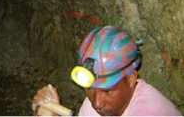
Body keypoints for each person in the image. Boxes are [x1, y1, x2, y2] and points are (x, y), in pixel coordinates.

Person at [32, 25, 182, 116]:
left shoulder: (150, 112)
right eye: (90, 88)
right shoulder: (99, 107)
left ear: (131, 79)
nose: (97, 102)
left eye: (108, 91)